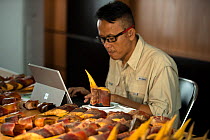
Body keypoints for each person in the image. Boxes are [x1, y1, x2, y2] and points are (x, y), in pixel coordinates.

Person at [68, 1, 181, 128]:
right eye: (102, 39)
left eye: (111, 38)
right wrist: (95, 95)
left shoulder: (160, 64)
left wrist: (116, 98)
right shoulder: (116, 56)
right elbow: (113, 102)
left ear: (130, 34)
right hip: (121, 126)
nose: (106, 45)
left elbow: (161, 116)